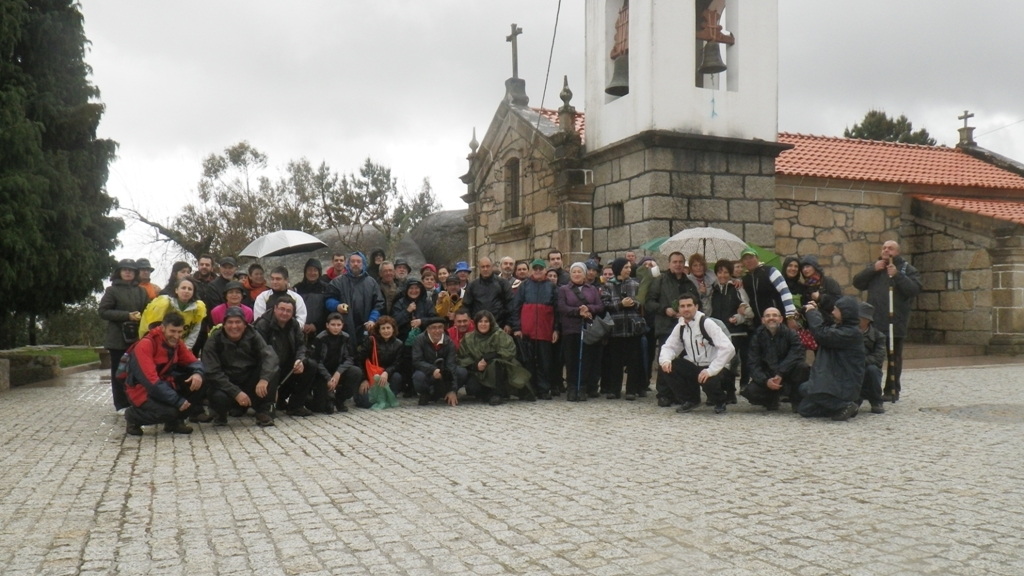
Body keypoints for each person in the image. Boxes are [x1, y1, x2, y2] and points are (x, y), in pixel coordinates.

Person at [852, 240, 922, 402]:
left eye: (890, 248)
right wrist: (872, 269)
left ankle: (892, 390)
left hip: (894, 322)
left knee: (893, 357)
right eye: (884, 248)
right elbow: (858, 283)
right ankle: (869, 389)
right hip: (874, 322)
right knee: (870, 356)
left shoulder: (907, 269)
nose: (886, 250)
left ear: (897, 252)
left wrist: (897, 276)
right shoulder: (875, 267)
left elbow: (914, 290)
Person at [123, 312, 206, 436]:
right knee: (169, 412)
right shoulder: (145, 345)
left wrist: (198, 373)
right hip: (141, 390)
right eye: (172, 331)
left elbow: (193, 362)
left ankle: (175, 422)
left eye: (179, 332)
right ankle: (133, 416)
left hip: (165, 384)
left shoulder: (177, 343)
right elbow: (151, 382)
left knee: (202, 380)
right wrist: (177, 400)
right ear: (163, 328)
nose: (176, 336)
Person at [658, 294, 736, 414]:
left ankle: (720, 401)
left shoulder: (707, 323)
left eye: (689, 305)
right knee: (668, 367)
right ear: (678, 309)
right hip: (694, 365)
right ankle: (690, 400)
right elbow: (669, 347)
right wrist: (665, 360)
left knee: (708, 380)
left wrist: (711, 370)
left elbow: (728, 348)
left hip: (714, 366)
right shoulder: (680, 326)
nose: (686, 309)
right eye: (682, 306)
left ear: (696, 307)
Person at [204, 307, 280, 427]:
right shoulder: (214, 340)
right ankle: (220, 413)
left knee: (272, 370)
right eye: (230, 322)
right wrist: (236, 393)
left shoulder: (253, 334)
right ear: (224, 325)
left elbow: (270, 356)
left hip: (249, 380)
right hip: (226, 383)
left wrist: (264, 379)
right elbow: (213, 372)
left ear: (245, 324)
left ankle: (264, 411)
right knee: (218, 396)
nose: (234, 326)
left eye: (238, 322)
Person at [796, 297, 865, 421]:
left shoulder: (852, 333)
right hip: (834, 379)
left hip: (843, 381)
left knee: (809, 389)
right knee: (804, 408)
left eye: (836, 310)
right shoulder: (840, 327)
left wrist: (811, 312)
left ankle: (845, 405)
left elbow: (822, 334)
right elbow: (826, 326)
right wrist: (816, 311)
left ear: (845, 313)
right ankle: (840, 407)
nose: (833, 312)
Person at [645, 252, 700, 406]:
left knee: (684, 363)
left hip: (687, 328)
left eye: (680, 262)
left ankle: (681, 394)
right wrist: (665, 309)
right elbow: (649, 302)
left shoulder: (689, 283)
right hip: (666, 326)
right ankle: (664, 394)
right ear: (669, 264)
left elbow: (697, 304)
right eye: (675, 262)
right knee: (666, 360)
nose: (678, 265)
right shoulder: (660, 281)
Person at [99, 259, 151, 411]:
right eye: (124, 269)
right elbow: (103, 311)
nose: (128, 272)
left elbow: (148, 311)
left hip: (137, 338)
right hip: (117, 339)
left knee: (137, 372)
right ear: (119, 272)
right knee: (119, 373)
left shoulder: (142, 291)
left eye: (131, 270)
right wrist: (127, 315)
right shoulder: (111, 291)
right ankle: (121, 404)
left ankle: (137, 402)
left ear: (135, 273)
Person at [253, 296, 316, 417]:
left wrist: (299, 360)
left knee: (310, 365)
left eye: (288, 311)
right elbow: (260, 353)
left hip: (286, 366)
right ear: (275, 308)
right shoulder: (262, 325)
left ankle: (296, 406)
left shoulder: (294, 324)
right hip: (266, 369)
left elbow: (301, 345)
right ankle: (267, 404)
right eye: (282, 309)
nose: (284, 313)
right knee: (273, 369)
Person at [457, 310, 533, 405]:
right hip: (479, 372)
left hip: (501, 370)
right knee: (473, 388)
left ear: (491, 323)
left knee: (495, 363)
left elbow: (510, 351)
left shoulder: (500, 335)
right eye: (480, 321)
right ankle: (489, 393)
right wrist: (475, 365)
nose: (483, 324)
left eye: (486, 321)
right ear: (476, 323)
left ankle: (497, 393)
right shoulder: (469, 338)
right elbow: (462, 357)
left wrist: (490, 356)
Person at [741, 308, 809, 412]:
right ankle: (771, 399)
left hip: (787, 375)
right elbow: (752, 363)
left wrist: (781, 373)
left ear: (781, 319)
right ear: (763, 320)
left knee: (802, 367)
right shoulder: (757, 337)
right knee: (750, 392)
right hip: (768, 376)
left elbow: (797, 355)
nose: (771, 318)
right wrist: (765, 381)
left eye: (774, 315)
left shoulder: (791, 334)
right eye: (768, 316)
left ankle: (797, 401)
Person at [510, 259, 560, 400]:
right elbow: (515, 308)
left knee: (545, 362)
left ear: (545, 270)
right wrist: (517, 328)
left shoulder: (552, 287)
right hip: (527, 332)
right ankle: (530, 389)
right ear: (532, 270)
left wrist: (556, 329)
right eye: (535, 268)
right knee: (528, 362)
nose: (538, 271)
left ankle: (544, 389)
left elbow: (557, 311)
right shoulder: (524, 286)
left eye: (540, 269)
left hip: (545, 330)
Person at [600, 258, 646, 401]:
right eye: (626, 267)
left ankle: (631, 390)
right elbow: (604, 304)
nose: (628, 270)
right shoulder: (608, 285)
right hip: (616, 328)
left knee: (633, 361)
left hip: (633, 328)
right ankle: (614, 390)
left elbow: (642, 302)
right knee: (615, 362)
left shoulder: (636, 284)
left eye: (629, 267)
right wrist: (620, 304)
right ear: (618, 269)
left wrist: (634, 303)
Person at [558, 262, 604, 401]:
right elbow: (562, 307)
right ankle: (572, 388)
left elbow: (600, 306)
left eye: (579, 272)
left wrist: (588, 309)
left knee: (585, 359)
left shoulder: (592, 289)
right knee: (571, 360)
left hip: (587, 329)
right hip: (570, 329)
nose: (577, 274)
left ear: (584, 274)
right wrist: (578, 311)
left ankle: (583, 387)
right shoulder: (564, 289)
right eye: (574, 272)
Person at [709, 259, 753, 403]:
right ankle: (718, 391)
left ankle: (730, 392)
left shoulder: (737, 288)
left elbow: (748, 311)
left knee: (732, 361)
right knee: (718, 361)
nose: (722, 275)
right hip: (717, 331)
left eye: (726, 272)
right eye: (720, 272)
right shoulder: (712, 290)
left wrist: (738, 318)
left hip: (735, 331)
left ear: (730, 273)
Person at [325, 252, 383, 349]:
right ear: (348, 263)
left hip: (366, 328)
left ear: (363, 263)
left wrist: (372, 319)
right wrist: (337, 306)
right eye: (353, 261)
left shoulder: (371, 282)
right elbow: (328, 299)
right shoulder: (337, 282)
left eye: (358, 261)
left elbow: (379, 303)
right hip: (344, 327)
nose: (355, 264)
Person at [310, 312, 363, 413]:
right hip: (322, 373)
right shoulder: (320, 338)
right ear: (327, 325)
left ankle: (340, 399)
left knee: (356, 372)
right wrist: (328, 377)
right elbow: (317, 360)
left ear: (342, 325)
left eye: (339, 325)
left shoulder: (346, 337)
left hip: (339, 370)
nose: (336, 328)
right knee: (321, 408)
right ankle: (326, 399)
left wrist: (338, 373)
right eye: (333, 325)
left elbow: (349, 358)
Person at [411, 317, 466, 406]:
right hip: (427, 372)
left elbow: (451, 365)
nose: (437, 330)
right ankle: (425, 394)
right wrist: (433, 370)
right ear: (428, 329)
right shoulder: (419, 340)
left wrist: (453, 390)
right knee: (418, 377)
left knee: (461, 372)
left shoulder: (449, 342)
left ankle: (445, 393)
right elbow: (417, 361)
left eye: (440, 327)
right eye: (434, 328)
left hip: (444, 374)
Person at [739, 247, 797, 330]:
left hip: (778, 321)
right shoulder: (745, 279)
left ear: (757, 258)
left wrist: (790, 317)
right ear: (742, 262)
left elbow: (785, 292)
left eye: (751, 257)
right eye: (745, 259)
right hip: (758, 325)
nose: (749, 261)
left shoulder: (771, 271)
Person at [353, 315, 405, 408]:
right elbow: (359, 360)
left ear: (393, 329)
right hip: (369, 376)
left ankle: (387, 397)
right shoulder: (370, 341)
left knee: (397, 377)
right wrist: (364, 379)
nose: (386, 331)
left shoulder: (399, 344)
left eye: (388, 328)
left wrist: (386, 372)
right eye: (383, 328)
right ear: (379, 330)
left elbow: (397, 364)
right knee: (367, 403)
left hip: (385, 376)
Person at [463, 257, 514, 331]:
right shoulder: (472, 286)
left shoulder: (502, 283)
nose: (485, 269)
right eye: (483, 267)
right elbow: (466, 306)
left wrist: (509, 324)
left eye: (487, 266)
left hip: (499, 327)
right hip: (478, 327)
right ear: (479, 268)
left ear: (492, 267)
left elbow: (510, 305)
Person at [858, 302, 887, 414]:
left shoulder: (878, 336)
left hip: (867, 366)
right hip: (852, 366)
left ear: (867, 320)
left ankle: (876, 401)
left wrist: (861, 361)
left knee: (872, 370)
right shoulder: (849, 332)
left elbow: (878, 357)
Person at [293, 258, 329, 339]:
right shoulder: (297, 288)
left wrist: (316, 325)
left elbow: (327, 311)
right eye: (309, 270)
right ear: (305, 272)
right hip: (300, 331)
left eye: (315, 270)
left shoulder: (326, 288)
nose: (312, 273)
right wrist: (301, 324)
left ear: (319, 272)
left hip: (321, 331)